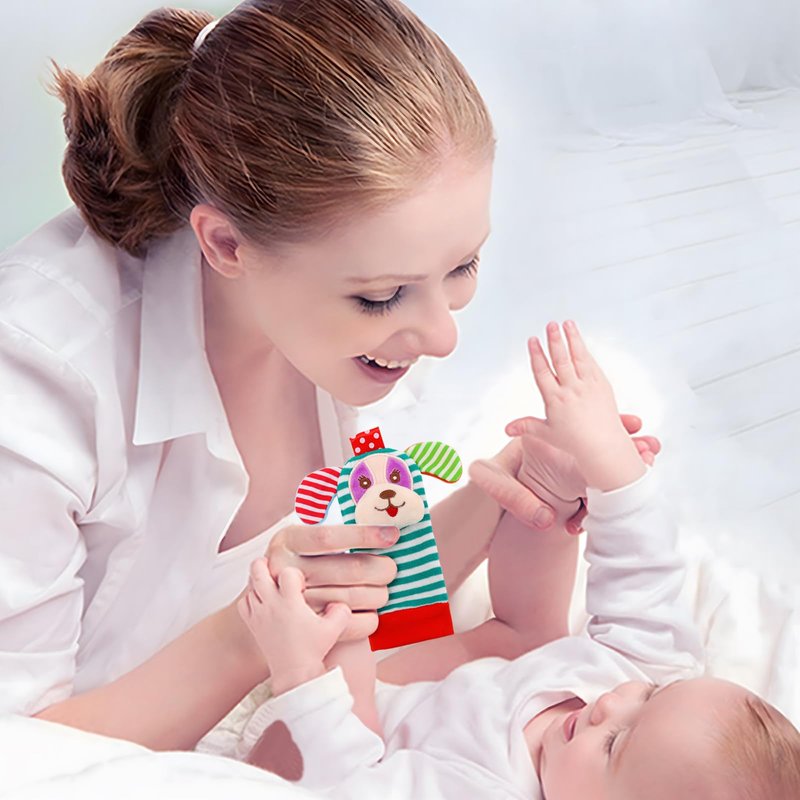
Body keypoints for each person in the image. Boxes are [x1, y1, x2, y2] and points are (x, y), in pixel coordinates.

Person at [0, 0, 659, 751]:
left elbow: (370, 598)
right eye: (382, 295)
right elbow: (20, 755)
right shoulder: (37, 378)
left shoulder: (337, 335)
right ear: (226, 245)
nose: (443, 336)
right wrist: (250, 635)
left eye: (463, 266)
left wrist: (511, 493)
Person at [237, 321, 800, 799]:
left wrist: (304, 674)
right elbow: (647, 578)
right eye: (653, 696)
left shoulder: (486, 788)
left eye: (615, 744)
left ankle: (313, 664)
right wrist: (611, 469)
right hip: (496, 660)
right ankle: (550, 486)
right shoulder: (628, 693)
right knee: (533, 625)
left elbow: (350, 784)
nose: (610, 702)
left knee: (343, 657)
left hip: (368, 740)